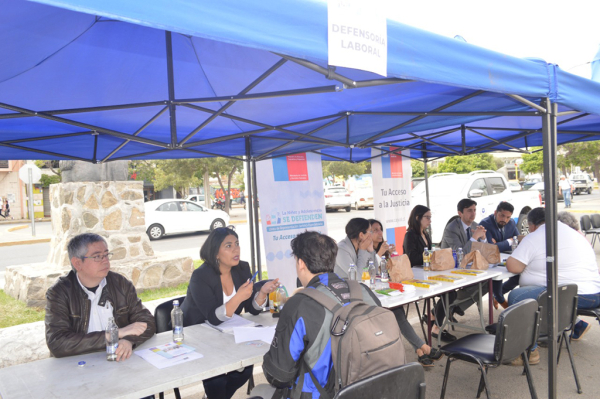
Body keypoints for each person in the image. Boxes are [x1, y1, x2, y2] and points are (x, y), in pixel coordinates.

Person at [255, 231, 391, 398]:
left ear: (301, 263)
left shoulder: (299, 304)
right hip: (368, 390)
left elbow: (278, 375)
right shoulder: (363, 291)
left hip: (320, 394)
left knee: (258, 391)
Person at [181, 227, 279, 399]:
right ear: (216, 253)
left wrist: (262, 292)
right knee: (217, 380)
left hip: (228, 333)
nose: (236, 249)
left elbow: (252, 309)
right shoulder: (201, 276)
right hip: (197, 333)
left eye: (237, 244)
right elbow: (212, 317)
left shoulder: (242, 268)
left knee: (244, 370)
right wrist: (238, 297)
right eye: (228, 246)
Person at [507, 208, 600, 364]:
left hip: (573, 295)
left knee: (517, 296)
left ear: (532, 225)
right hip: (594, 293)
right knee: (546, 295)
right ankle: (549, 333)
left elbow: (513, 266)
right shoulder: (574, 233)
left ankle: (530, 351)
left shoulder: (535, 236)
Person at [45, 233, 156, 360]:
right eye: (97, 257)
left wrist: (129, 341)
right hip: (78, 363)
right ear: (77, 263)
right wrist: (115, 334)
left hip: (118, 358)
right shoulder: (59, 293)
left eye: (106, 255)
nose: (105, 261)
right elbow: (57, 343)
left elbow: (147, 322)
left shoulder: (120, 284)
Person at [370, 217, 442, 367]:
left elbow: (393, 272)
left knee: (399, 315)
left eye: (380, 229)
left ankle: (420, 349)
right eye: (374, 230)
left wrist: (392, 254)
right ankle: (423, 348)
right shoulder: (366, 251)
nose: (379, 232)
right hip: (374, 296)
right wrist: (379, 254)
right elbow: (367, 272)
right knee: (399, 316)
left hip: (390, 291)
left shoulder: (383, 249)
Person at [436, 198, 489, 341]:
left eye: (474, 210)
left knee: (489, 283)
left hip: (469, 269)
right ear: (460, 213)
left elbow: (485, 253)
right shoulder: (452, 228)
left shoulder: (476, 225)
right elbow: (460, 256)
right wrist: (474, 238)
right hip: (450, 269)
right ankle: (446, 309)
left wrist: (483, 239)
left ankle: (455, 306)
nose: (473, 214)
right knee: (476, 285)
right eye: (469, 211)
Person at [479, 201, 521, 309]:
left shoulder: (511, 223)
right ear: (495, 213)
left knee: (519, 276)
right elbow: (490, 248)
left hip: (506, 258)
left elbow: (518, 240)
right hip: (490, 262)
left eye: (508, 217)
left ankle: (497, 295)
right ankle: (503, 302)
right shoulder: (485, 224)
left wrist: (498, 244)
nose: (505, 220)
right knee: (497, 278)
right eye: (502, 216)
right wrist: (509, 242)